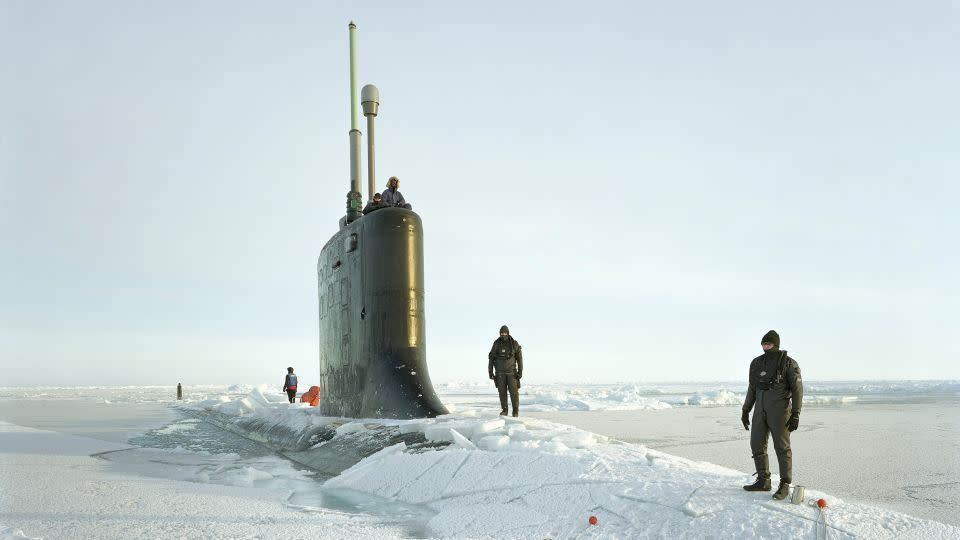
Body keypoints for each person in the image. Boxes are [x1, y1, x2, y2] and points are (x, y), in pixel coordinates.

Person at [741, 330, 804, 500]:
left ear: (776, 345)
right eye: (763, 344)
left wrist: (796, 413)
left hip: (780, 411)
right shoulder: (756, 363)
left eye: (768, 344)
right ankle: (763, 480)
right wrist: (746, 409)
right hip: (759, 411)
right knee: (756, 443)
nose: (765, 347)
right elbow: (752, 388)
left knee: (782, 448)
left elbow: (798, 389)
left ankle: (784, 484)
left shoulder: (789, 363)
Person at [488, 325, 523, 417]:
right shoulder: (496, 344)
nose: (503, 334)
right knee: (502, 393)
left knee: (514, 393)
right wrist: (490, 372)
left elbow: (519, 359)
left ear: (508, 333)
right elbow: (491, 358)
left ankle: (515, 411)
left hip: (512, 373)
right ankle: (504, 410)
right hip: (500, 374)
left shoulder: (514, 344)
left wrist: (520, 371)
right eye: (502, 333)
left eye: (505, 333)